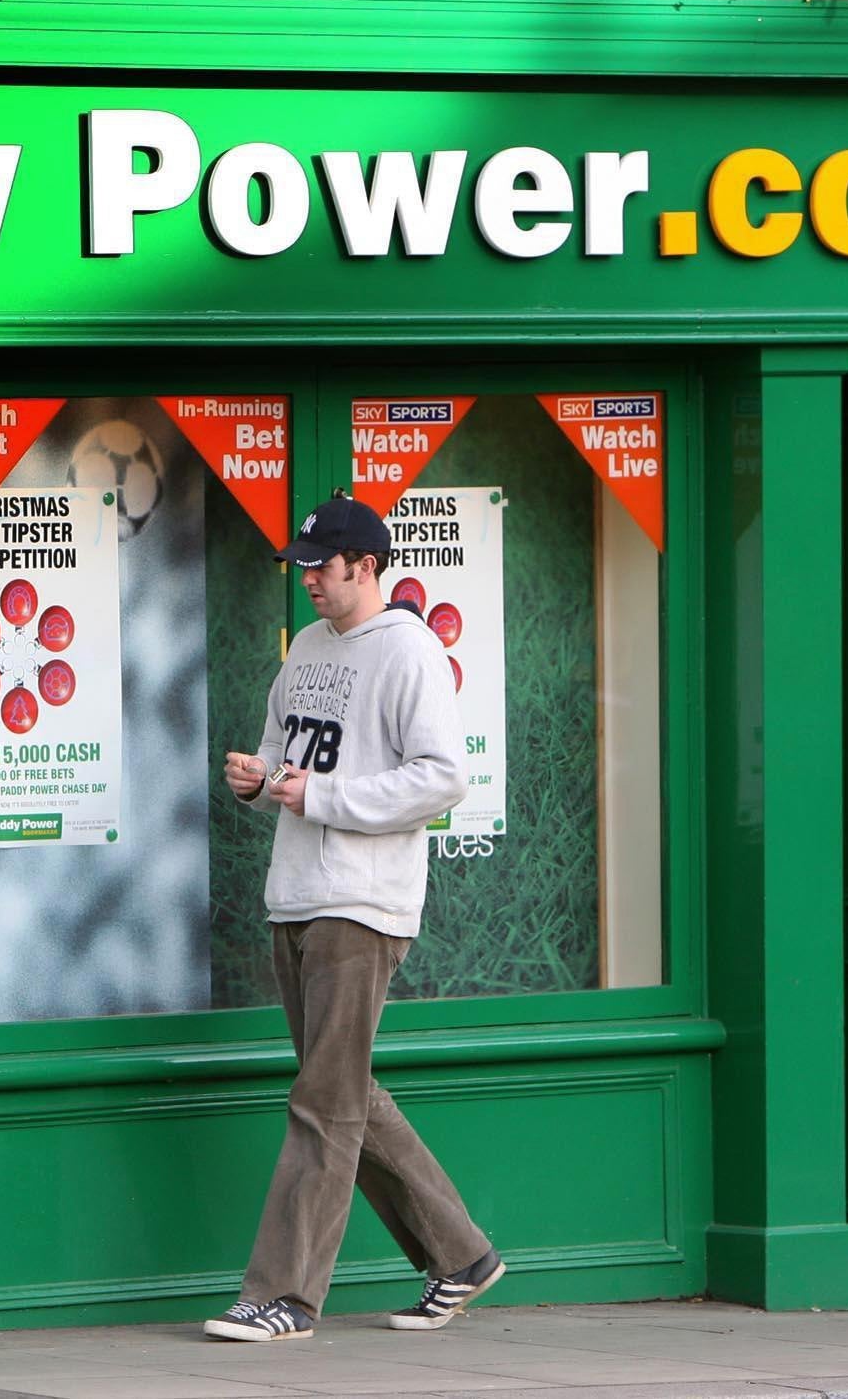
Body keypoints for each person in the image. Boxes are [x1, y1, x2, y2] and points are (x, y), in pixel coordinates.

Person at [207, 490, 503, 1343]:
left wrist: (324, 796)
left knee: (323, 1104)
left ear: (365, 566)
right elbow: (283, 754)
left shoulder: (408, 651)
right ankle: (463, 1256)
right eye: (301, 569)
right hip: (295, 893)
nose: (308, 584)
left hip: (362, 905)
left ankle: (284, 1297)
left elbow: (444, 778)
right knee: (344, 1096)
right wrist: (258, 778)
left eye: (320, 569)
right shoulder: (304, 647)